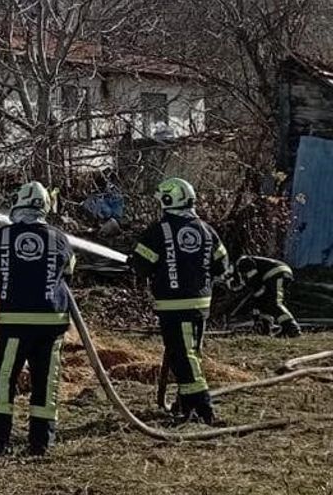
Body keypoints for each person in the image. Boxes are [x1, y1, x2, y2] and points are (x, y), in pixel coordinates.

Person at [0, 181, 74, 457]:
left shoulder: (2, 237)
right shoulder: (60, 238)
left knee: (3, 379)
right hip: (51, 324)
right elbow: (68, 274)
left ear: (20, 202)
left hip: (14, 322)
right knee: (46, 382)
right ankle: (40, 442)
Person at [128, 177, 229, 425]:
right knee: (191, 354)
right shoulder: (207, 229)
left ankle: (204, 409)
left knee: (183, 358)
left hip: (173, 306)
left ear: (166, 200)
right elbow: (222, 265)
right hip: (201, 304)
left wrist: (139, 265)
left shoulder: (157, 231)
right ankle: (185, 408)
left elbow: (140, 266)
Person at [230, 256, 301, 338]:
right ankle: (265, 328)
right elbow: (257, 294)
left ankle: (291, 328)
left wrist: (255, 294)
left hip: (276, 272)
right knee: (265, 303)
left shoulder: (242, 261)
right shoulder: (245, 269)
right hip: (276, 273)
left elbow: (254, 280)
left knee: (274, 302)